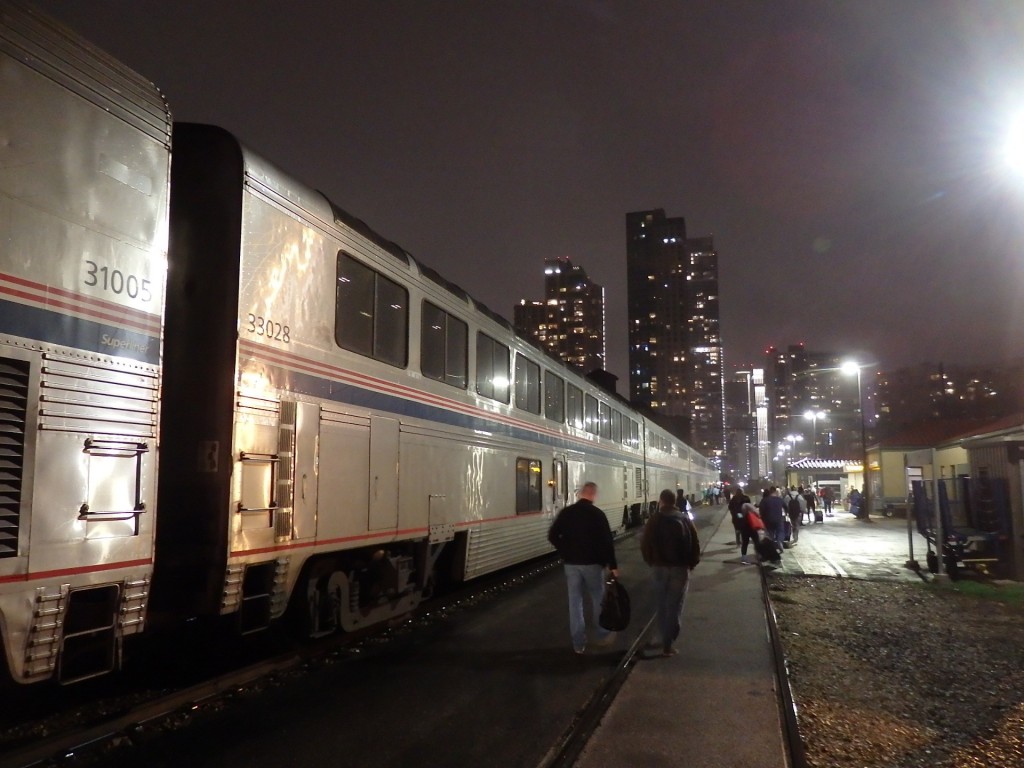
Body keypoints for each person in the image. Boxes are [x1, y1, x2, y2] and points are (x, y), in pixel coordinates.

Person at [548, 482, 619, 655]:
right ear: (593, 495)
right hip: (593, 565)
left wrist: (565, 551)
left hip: (571, 565)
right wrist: (613, 565)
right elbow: (607, 542)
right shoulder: (597, 514)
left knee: (575, 603)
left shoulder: (567, 513)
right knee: (598, 599)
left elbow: (552, 535)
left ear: (580, 494)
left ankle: (578, 643)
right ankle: (602, 634)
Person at [641, 489, 701, 657]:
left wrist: (651, 561)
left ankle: (662, 636)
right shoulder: (684, 519)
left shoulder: (654, 520)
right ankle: (668, 643)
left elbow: (645, 544)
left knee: (661, 604)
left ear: (661, 501)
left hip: (659, 568)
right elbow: (695, 543)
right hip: (680, 568)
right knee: (675, 605)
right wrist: (691, 564)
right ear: (674, 502)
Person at [760, 486, 787, 552]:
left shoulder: (765, 500)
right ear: (775, 492)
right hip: (778, 519)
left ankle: (771, 547)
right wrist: (786, 513)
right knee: (780, 531)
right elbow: (786, 507)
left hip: (768, 520)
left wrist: (762, 518)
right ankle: (779, 541)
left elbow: (761, 510)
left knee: (770, 534)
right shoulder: (779, 499)